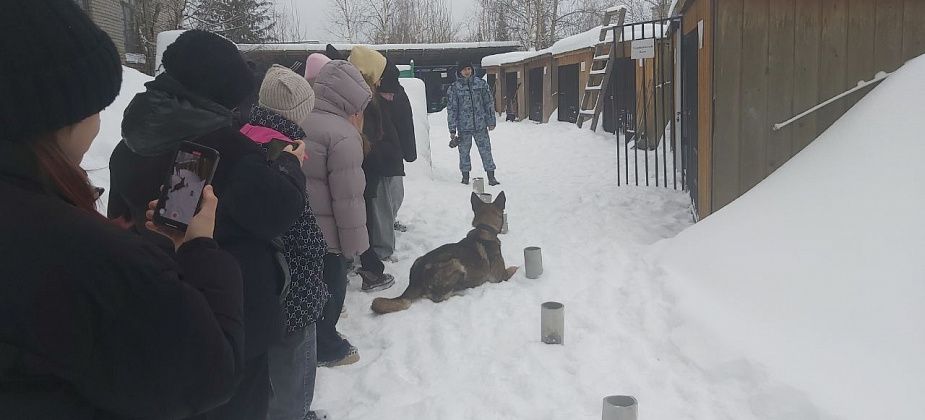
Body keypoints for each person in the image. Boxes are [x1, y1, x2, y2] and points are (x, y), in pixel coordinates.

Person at [0, 1, 244, 418]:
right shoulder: (88, 256)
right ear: (60, 113)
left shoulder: (126, 147)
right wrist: (198, 245)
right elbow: (207, 373)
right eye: (94, 107)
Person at [108, 30, 307, 420]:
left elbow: (137, 216)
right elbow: (277, 211)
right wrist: (290, 166)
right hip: (228, 308)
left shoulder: (136, 138)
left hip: (159, 302)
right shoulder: (218, 148)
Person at [239, 65, 330, 420]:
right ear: (296, 113)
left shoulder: (244, 137)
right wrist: (314, 268)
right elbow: (293, 222)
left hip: (258, 281)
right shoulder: (281, 152)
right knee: (295, 360)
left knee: (266, 365)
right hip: (291, 281)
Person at [299, 60, 371, 367]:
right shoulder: (343, 134)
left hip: (297, 227)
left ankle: (308, 342)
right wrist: (353, 247)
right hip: (326, 234)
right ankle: (326, 346)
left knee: (305, 288)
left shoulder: (300, 118)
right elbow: (349, 197)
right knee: (332, 287)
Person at [376, 60, 416, 234]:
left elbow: (406, 123)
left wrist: (409, 152)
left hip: (395, 150)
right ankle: (384, 225)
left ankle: (391, 219)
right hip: (376, 153)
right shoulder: (370, 96)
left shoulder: (399, 94)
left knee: (396, 192)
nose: (390, 96)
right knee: (380, 196)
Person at [447, 61, 500, 185]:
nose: (467, 72)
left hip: (480, 125)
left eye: (469, 69)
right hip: (463, 128)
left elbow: (489, 103)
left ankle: (491, 177)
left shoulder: (481, 84)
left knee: (486, 151)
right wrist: (452, 129)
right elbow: (452, 109)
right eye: (464, 69)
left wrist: (491, 121)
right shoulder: (455, 88)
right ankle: (465, 177)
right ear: (459, 72)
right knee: (464, 153)